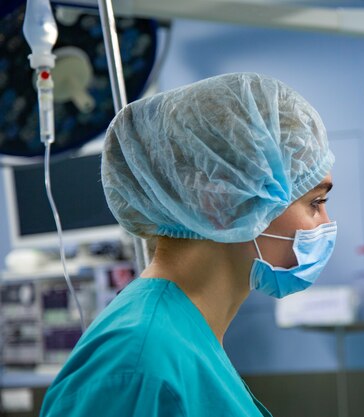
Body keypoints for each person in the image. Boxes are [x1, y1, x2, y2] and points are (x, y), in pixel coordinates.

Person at [40, 73, 337, 416]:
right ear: (222, 201)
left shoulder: (185, 337)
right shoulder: (136, 364)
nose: (326, 225)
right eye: (314, 203)